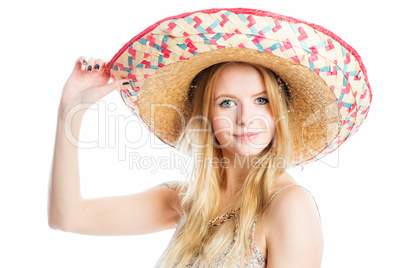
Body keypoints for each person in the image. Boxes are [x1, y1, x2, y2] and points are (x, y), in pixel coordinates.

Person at [48, 8, 372, 268]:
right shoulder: (187, 201)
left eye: (262, 100)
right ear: (206, 116)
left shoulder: (289, 206)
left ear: (279, 112)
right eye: (227, 102)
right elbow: (68, 217)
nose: (246, 118)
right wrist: (71, 110)